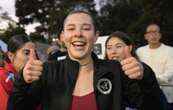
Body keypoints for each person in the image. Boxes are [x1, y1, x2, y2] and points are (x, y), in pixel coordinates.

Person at [8, 10, 167, 110]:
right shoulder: (48, 71)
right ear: (63, 37)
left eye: (85, 28)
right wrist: (21, 82)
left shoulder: (115, 70)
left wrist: (146, 76)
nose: (78, 34)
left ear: (96, 36)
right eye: (71, 29)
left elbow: (157, 106)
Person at [136, 23, 173, 109]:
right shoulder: (139, 51)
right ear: (146, 36)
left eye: (156, 32)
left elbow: (170, 72)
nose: (153, 35)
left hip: (166, 96)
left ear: (160, 35)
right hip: (145, 96)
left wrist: (153, 80)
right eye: (150, 32)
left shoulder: (170, 51)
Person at [0, 34, 37, 110]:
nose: (33, 58)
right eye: (26, 53)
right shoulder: (2, 76)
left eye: (35, 53)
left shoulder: (34, 75)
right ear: (11, 55)